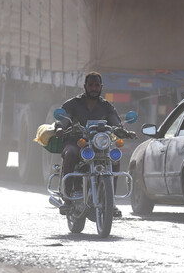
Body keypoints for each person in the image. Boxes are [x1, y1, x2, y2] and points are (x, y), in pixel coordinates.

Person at [53, 71, 133, 216]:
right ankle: (67, 198)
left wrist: (124, 132)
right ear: (85, 86)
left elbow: (115, 123)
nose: (93, 88)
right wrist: (60, 128)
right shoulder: (73, 104)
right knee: (70, 153)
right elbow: (63, 120)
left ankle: (111, 202)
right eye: (90, 85)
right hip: (77, 143)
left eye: (97, 85)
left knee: (114, 158)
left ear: (101, 86)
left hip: (99, 144)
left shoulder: (106, 106)